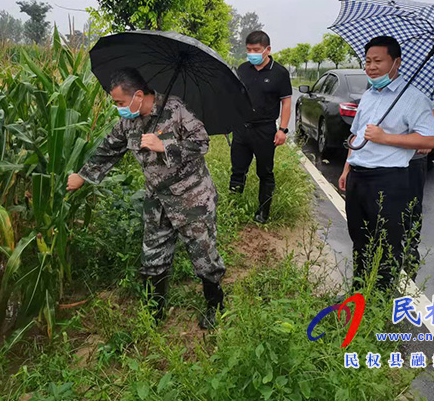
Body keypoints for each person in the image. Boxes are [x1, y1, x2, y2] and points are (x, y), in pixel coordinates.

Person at [67, 68, 225, 329]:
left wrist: (165, 145)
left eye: (120, 103)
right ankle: (155, 311)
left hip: (191, 198)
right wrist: (83, 176)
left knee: (204, 256)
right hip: (158, 200)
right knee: (153, 257)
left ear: (138, 96)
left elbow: (202, 143)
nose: (118, 108)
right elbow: (108, 149)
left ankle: (215, 304)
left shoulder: (175, 109)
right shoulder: (129, 122)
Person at [338, 36, 434, 289]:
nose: (371, 66)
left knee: (385, 244)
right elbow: (356, 134)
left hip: (388, 180)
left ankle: (380, 301)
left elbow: (428, 139)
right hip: (358, 177)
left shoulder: (414, 98)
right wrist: (348, 167)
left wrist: (386, 137)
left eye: (378, 61)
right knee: (359, 240)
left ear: (396, 63)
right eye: (367, 61)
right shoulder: (370, 94)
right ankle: (358, 293)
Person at [230, 30, 292, 223]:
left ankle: (263, 211)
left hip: (265, 130)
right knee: (238, 169)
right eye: (248, 50)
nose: (252, 53)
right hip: (241, 128)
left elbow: (286, 102)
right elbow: (236, 97)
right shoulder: (242, 69)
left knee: (265, 172)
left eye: (256, 49)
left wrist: (282, 129)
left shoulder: (279, 73)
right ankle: (233, 208)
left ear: (267, 49)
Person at [406, 110, 434, 272]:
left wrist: (428, 136)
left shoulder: (428, 87)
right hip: (389, 153)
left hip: (415, 155)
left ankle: (411, 244)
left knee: (413, 203)